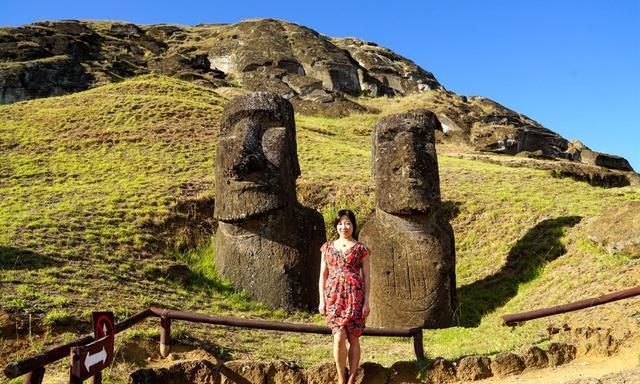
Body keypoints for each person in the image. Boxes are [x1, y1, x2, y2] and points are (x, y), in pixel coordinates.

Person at [319, 209, 371, 384]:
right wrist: (322, 300)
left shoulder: (361, 249)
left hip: (355, 296)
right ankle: (341, 378)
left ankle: (352, 378)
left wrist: (367, 302)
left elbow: (368, 277)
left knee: (354, 337)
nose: (344, 226)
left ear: (353, 225)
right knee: (339, 336)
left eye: (347, 223)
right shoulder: (327, 248)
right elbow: (323, 276)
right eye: (340, 223)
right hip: (333, 296)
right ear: (336, 225)